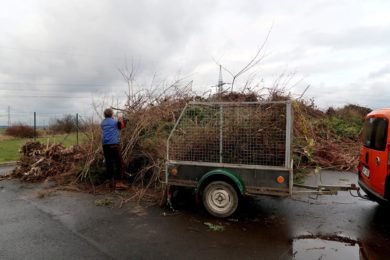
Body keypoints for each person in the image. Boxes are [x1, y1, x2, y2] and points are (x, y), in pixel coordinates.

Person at [101, 108, 126, 189]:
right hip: (114, 144)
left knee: (109, 163)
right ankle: (119, 183)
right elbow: (121, 126)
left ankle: (111, 182)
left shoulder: (103, 123)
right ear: (111, 114)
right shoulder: (115, 122)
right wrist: (121, 120)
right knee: (119, 163)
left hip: (105, 145)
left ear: (105, 115)